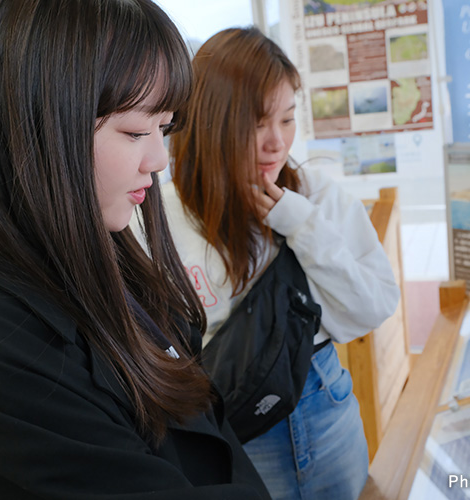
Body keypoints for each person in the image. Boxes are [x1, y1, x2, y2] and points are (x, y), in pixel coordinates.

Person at [0, 1, 269, 498]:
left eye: (164, 128)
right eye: (136, 132)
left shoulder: (78, 244)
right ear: (30, 123)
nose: (158, 159)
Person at [165, 27, 401, 500]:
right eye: (256, 123)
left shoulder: (316, 195)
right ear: (211, 122)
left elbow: (372, 307)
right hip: (233, 419)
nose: (277, 142)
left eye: (288, 119)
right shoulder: (165, 214)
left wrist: (301, 223)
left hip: (322, 397)